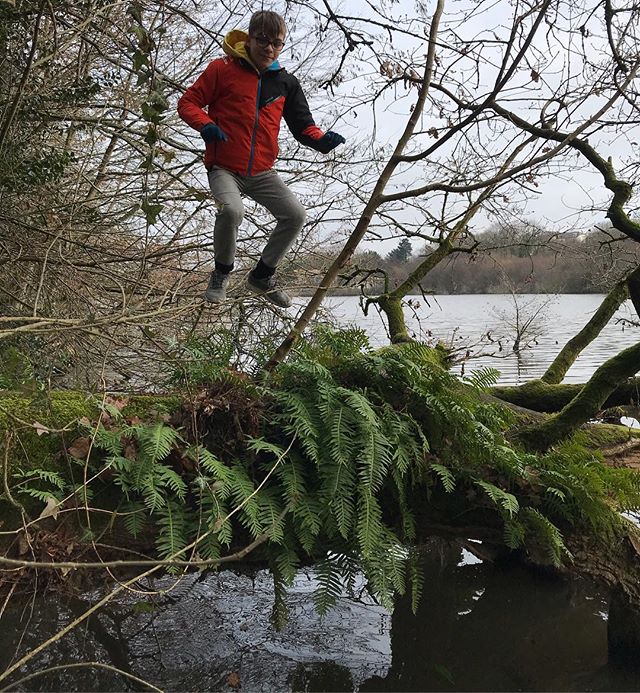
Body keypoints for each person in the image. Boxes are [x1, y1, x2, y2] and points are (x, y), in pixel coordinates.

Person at [177, 10, 345, 307]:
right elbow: (188, 102)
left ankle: (261, 276)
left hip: (262, 171)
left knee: (295, 215)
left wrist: (321, 141)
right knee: (231, 211)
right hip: (224, 167)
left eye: (276, 43)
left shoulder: (285, 83)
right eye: (263, 40)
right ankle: (221, 274)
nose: (269, 48)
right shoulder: (222, 69)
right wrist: (206, 125)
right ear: (250, 38)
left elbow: (303, 126)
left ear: (281, 46)